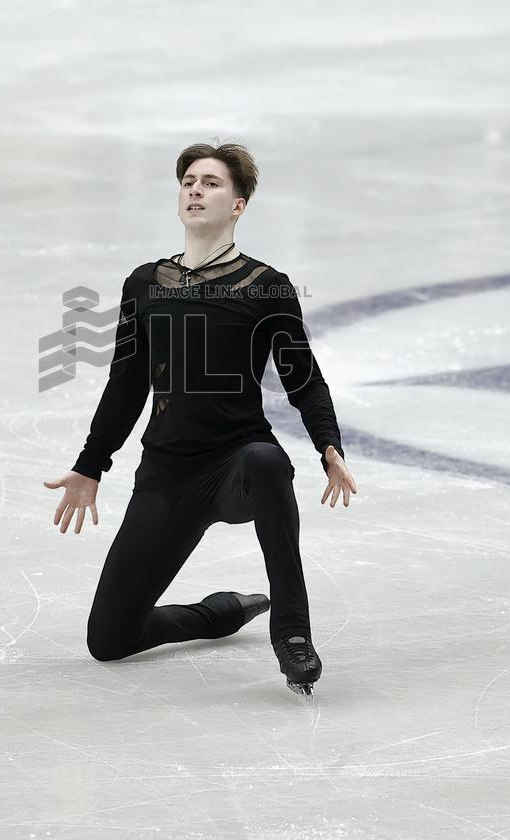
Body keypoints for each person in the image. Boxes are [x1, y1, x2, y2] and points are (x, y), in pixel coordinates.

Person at [44, 141, 357, 696]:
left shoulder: (266, 286)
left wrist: (327, 446)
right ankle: (221, 613)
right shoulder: (145, 284)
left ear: (237, 205)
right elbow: (126, 384)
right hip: (167, 475)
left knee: (266, 460)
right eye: (189, 181)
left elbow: (303, 377)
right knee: (109, 638)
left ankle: (293, 633)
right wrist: (91, 466)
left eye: (211, 183)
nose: (195, 190)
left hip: (236, 466)